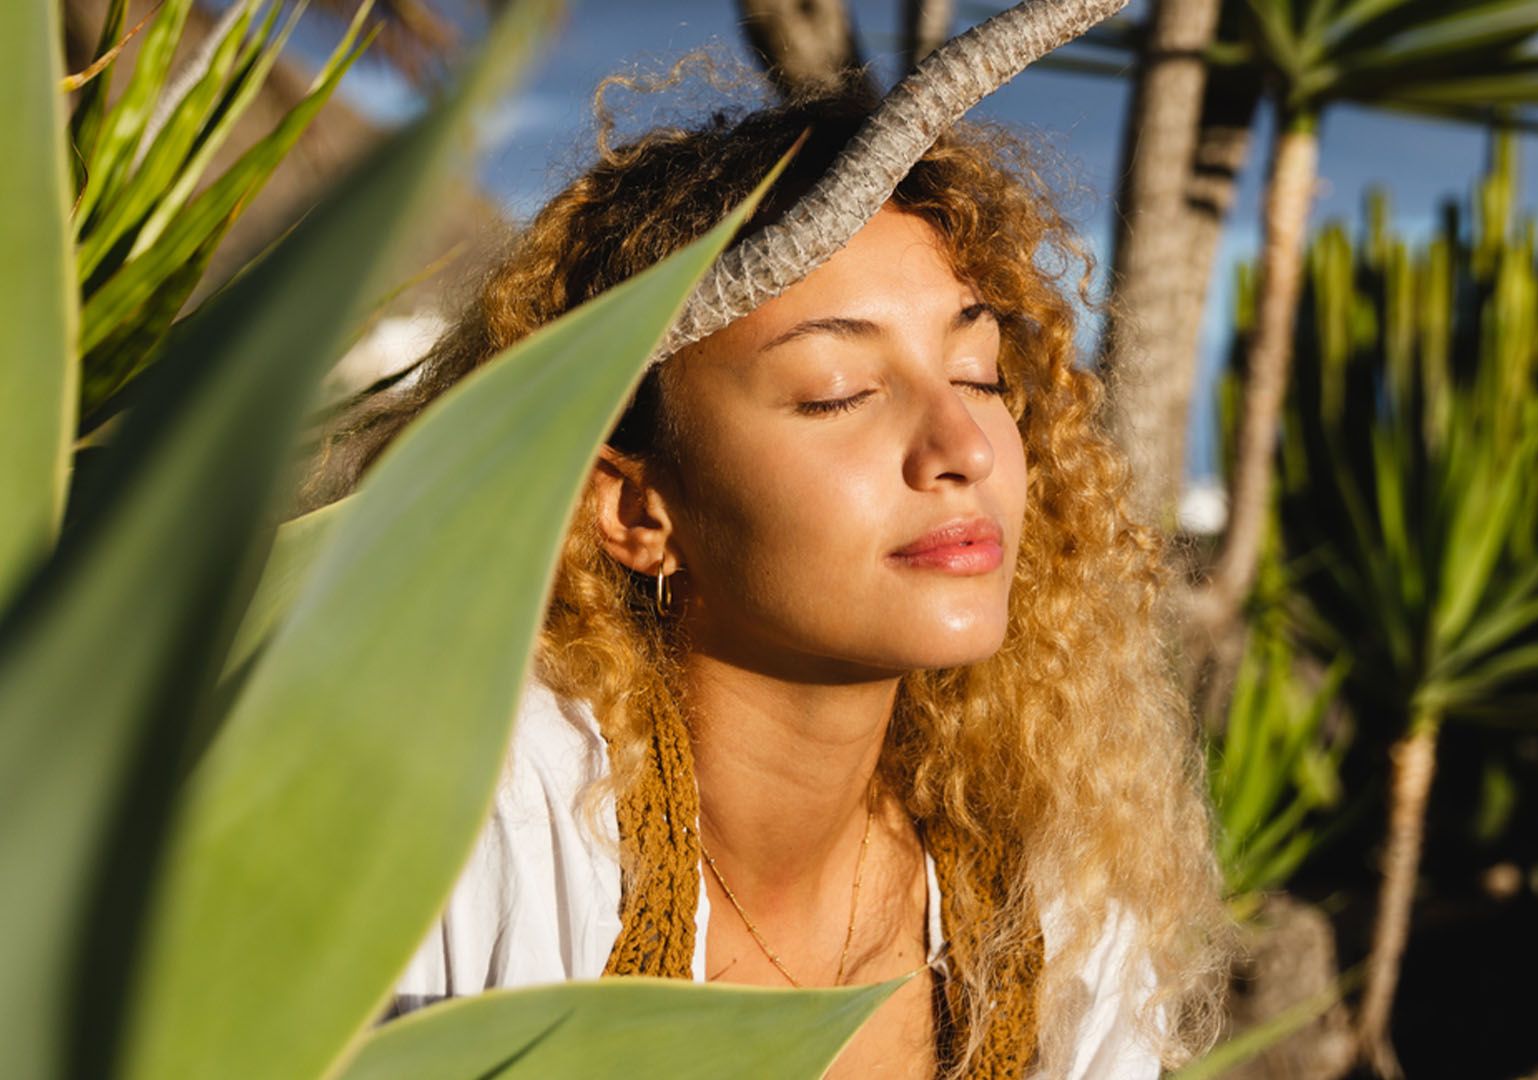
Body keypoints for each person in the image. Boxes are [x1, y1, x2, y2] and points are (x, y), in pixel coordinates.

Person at [309, 84, 1228, 1079]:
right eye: (841, 393)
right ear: (630, 511)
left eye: (975, 373)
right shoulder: (489, 836)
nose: (960, 446)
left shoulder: (1052, 895)